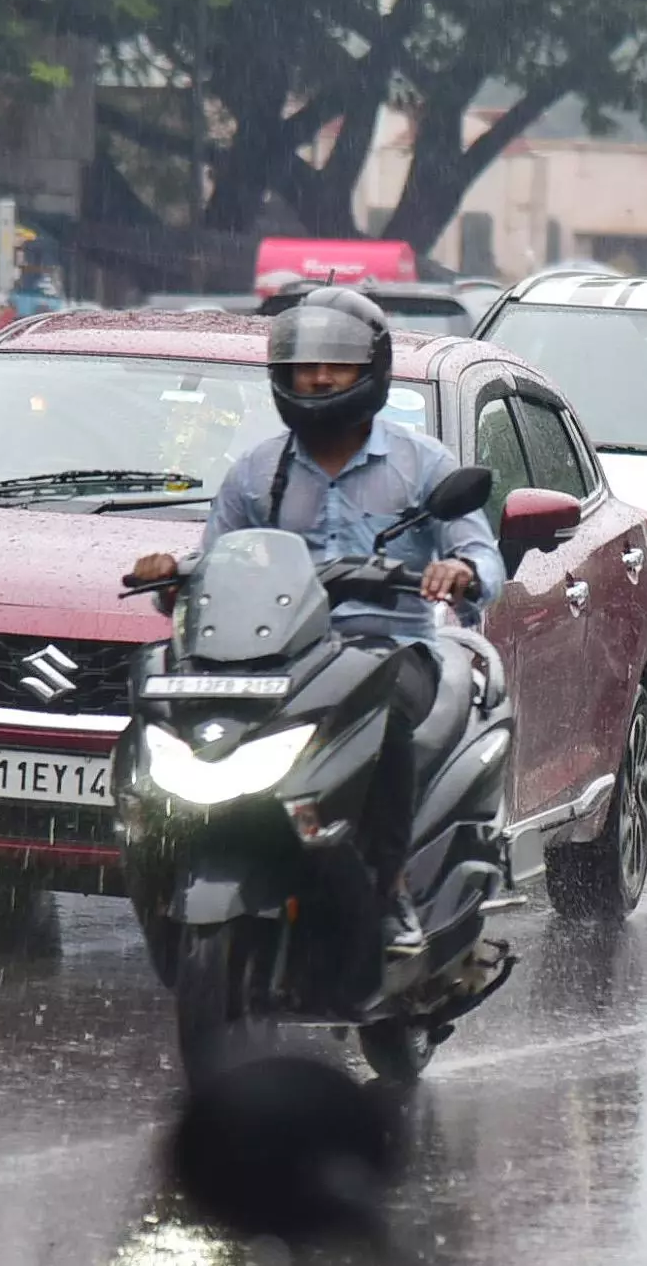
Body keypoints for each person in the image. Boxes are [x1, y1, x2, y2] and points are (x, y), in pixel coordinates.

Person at [130, 287, 503, 956]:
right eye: (307, 366)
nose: (322, 377)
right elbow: (214, 566)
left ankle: (389, 893)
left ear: (371, 372)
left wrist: (460, 572)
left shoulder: (421, 464)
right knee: (161, 699)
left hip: (392, 647)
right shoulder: (256, 471)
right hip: (283, 653)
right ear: (284, 374)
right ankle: (166, 852)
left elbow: (480, 554)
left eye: (338, 365)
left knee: (381, 712)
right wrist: (172, 575)